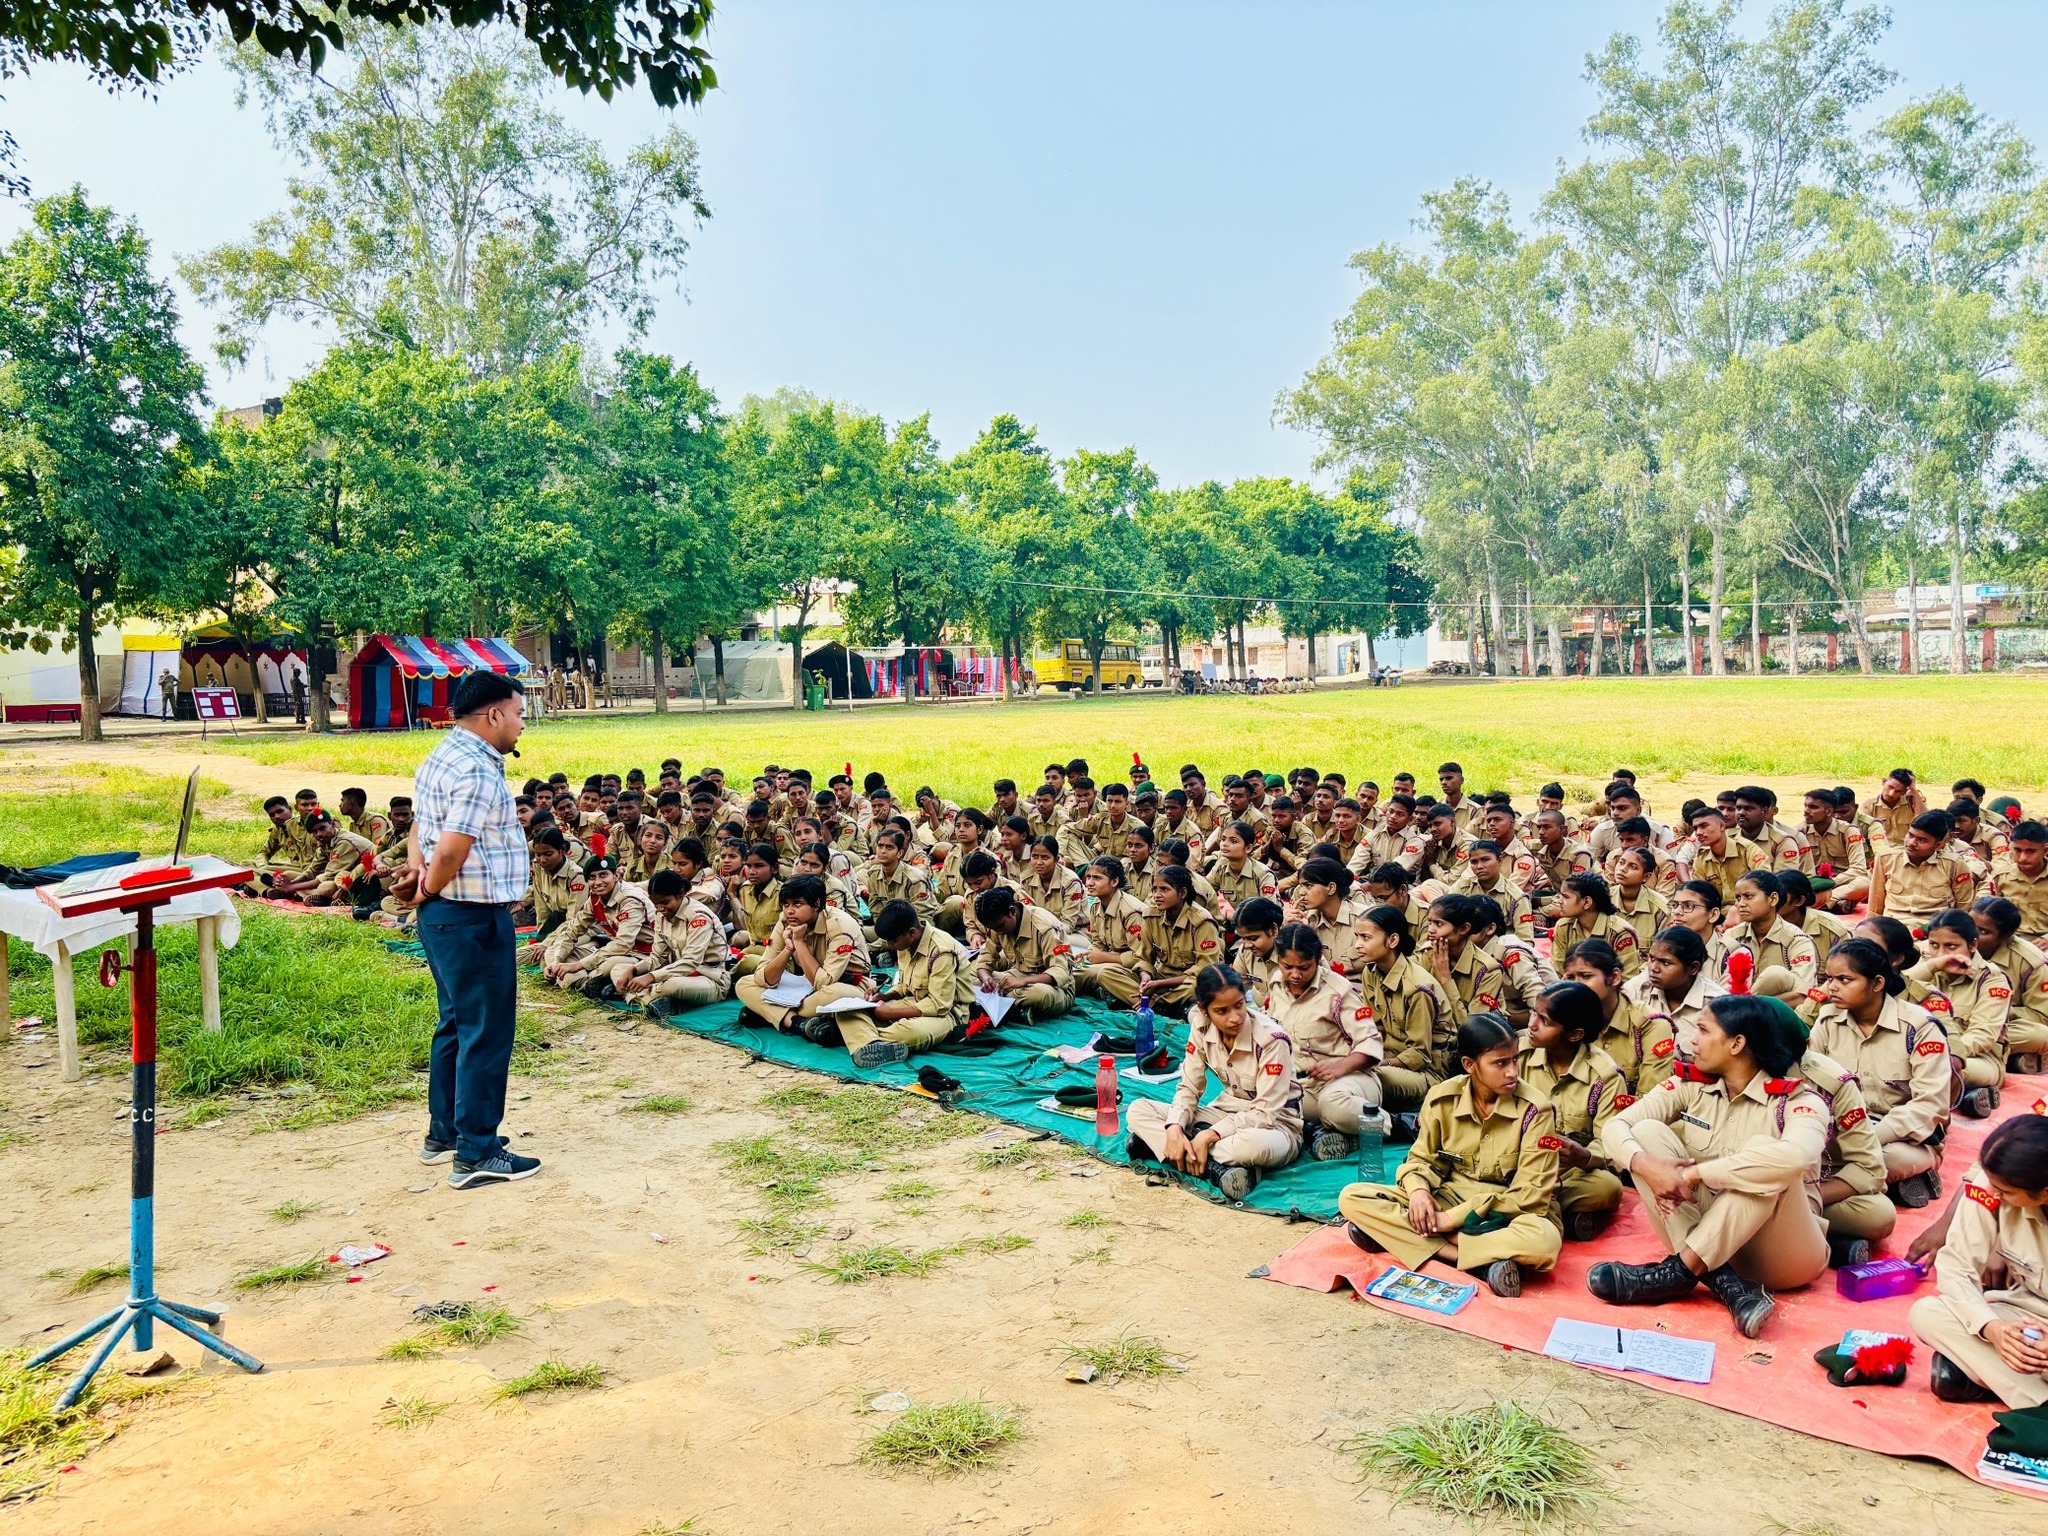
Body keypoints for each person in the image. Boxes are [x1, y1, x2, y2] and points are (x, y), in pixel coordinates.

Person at [1592, 993, 1832, 1337]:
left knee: (1764, 1157)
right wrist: (1644, 1164)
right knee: (1645, 1133)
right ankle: (1724, 1283)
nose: (1692, 1039)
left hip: (1782, 1256)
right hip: (1715, 1242)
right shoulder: (1689, 1085)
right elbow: (1615, 1126)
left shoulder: (1796, 1101)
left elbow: (1798, 1156)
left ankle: (1678, 1272)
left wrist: (1696, 1174)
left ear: (1737, 1043)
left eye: (1704, 1030)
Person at [405, 671, 538, 1188]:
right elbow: (452, 848)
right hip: (471, 916)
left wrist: (420, 878)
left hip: (446, 917)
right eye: (520, 713)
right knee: (485, 1031)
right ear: (495, 714)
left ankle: (445, 1134)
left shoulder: (442, 754)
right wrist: (428, 886)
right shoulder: (478, 769)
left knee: (457, 1023)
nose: (523, 724)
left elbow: (420, 826)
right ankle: (477, 1152)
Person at [1339, 1012, 1563, 1298]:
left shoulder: (1535, 1110)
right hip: (1447, 1197)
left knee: (1544, 1241)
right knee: (1353, 1197)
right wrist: (1419, 1192)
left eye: (1514, 1060)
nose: (1512, 1072)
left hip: (1506, 1214)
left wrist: (1452, 1220)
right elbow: (1421, 1160)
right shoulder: (1442, 1098)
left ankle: (1417, 1243)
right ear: (1470, 1065)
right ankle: (1468, 1258)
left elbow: (1530, 1197)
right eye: (1500, 1063)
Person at [1126, 963, 1302, 1202]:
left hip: (1274, 1126)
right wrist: (1175, 1128)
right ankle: (1210, 1165)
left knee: (1249, 1146)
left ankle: (1172, 1150)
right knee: (1138, 1110)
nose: (1235, 1017)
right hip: (1225, 1113)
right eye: (1222, 1011)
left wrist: (1209, 1135)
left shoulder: (1271, 1040)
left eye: (1239, 1005)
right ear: (1204, 1010)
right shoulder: (1201, 1027)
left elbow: (1265, 1113)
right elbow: (1189, 1087)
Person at [1909, 1116, 2048, 1407]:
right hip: (2026, 1312)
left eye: (2006, 1193)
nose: (1993, 1193)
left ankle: (1999, 1384)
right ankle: (2038, 1400)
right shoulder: (1993, 1182)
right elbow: (1956, 1267)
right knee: (1928, 1314)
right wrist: (1993, 1329)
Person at [1807, 937, 1951, 1208]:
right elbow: (1810, 1085)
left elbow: (1930, 1105)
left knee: (1885, 1158)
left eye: (1844, 980)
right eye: (1829, 978)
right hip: (1840, 1131)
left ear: (1877, 984)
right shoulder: (1827, 1020)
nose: (1832, 987)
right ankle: (1871, 1186)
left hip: (1897, 1139)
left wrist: (1868, 1137)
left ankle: (1818, 1197)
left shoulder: (1919, 1027)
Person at [1262, 924, 1382, 1160]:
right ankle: (1329, 1132)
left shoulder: (1339, 992)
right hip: (1303, 1085)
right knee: (1261, 1107)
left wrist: (1341, 1066)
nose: (1295, 975)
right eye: (1287, 966)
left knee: (1333, 1106)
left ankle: (1395, 1124)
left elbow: (1370, 1041)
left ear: (1318, 960)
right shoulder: (1277, 985)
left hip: (1349, 1081)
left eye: (1304, 967)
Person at [1519, 981, 1627, 1241]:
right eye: (1533, 1013)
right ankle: (1558, 1215)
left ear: (1574, 1034)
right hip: (1518, 1162)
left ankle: (1524, 1208)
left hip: (1567, 1173)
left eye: (1545, 1021)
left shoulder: (1606, 1077)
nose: (1532, 1024)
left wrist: (1584, 1156)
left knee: (1607, 1188)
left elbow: (1611, 1144)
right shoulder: (1519, 1054)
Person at [733, 874, 873, 1042]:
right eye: (786, 904)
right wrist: (787, 949)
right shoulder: (786, 920)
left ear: (817, 904)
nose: (789, 911)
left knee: (834, 994)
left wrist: (799, 942)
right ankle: (795, 1022)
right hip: (805, 984)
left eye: (797, 904)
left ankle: (768, 1013)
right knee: (744, 984)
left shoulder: (840, 925)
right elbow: (762, 976)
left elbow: (825, 982)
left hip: (848, 983)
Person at [837, 899, 973, 1068]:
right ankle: (873, 1042)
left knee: (909, 1033)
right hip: (912, 1001)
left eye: (893, 941)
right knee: (846, 1012)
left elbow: (939, 1005)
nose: (889, 945)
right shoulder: (905, 943)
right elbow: (904, 985)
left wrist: (890, 1014)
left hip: (947, 1015)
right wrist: (885, 996)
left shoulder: (941, 951)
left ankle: (861, 1037)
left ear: (911, 933)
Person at [1907, 907, 2013, 1117]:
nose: (1941, 953)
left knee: (1938, 1067)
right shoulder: (1928, 966)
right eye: (1934, 945)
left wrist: (1938, 1052)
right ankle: (1964, 1096)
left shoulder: (1992, 980)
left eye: (1951, 946)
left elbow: (1982, 1036)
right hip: (1921, 1050)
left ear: (1973, 945)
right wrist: (1932, 966)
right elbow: (1894, 989)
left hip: (1976, 1059)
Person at [1353, 902, 1452, 1113]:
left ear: (1392, 940)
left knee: (1371, 1079)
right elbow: (1373, 1028)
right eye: (1357, 937)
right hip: (1387, 1058)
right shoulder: (1370, 972)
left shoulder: (1417, 989)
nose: (1358, 945)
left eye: (1366, 938)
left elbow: (1419, 1055)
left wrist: (1381, 1063)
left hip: (1426, 1072)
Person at [1561, 938, 1677, 1096]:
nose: (1576, 985)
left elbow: (1651, 1101)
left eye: (1586, 976)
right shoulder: (1560, 1021)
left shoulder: (1650, 1025)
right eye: (1570, 978)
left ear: (1615, 977)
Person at [541, 855, 655, 999]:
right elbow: (571, 931)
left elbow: (623, 944)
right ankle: (583, 984)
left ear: (616, 876)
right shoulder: (594, 899)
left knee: (610, 965)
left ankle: (581, 981)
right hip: (614, 950)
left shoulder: (629, 900)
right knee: (552, 952)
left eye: (603, 875)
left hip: (643, 954)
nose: (598, 882)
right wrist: (556, 961)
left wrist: (577, 966)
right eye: (592, 877)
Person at [621, 868, 729, 1016]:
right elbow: (657, 958)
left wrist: (650, 977)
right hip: (677, 973)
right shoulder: (662, 915)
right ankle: (650, 997)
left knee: (672, 985)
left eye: (665, 902)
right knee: (620, 969)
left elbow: (691, 962)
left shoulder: (698, 917)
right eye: (655, 904)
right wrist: (634, 970)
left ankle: (639, 996)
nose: (660, 908)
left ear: (680, 894)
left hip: (709, 978)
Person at [973, 886, 1075, 1022]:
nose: (998, 932)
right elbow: (985, 960)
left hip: (1053, 988)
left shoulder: (1044, 927)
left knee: (1037, 994)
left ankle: (997, 1004)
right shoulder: (997, 925)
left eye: (1000, 926)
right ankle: (1011, 1006)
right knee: (970, 974)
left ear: (1012, 911)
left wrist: (1022, 982)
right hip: (1018, 977)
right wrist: (987, 980)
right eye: (993, 929)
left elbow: (1060, 972)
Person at [1624, 925, 1726, 1059]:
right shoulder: (1640, 987)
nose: (1653, 968)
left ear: (1693, 968)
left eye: (1666, 963)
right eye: (1652, 959)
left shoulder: (1717, 1005)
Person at [1973, 895, 2048, 1075]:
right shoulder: (1952, 943)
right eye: (1970, 925)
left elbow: (2040, 1014)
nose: (1972, 935)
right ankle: (2011, 1060)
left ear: (2006, 936)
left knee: (2041, 1035)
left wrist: (1995, 1011)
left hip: (2000, 1026)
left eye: (1983, 931)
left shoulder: (2030, 961)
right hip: (1956, 1020)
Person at [1136, 865, 1225, 1015]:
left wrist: (1159, 985)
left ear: (1182, 893)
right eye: (1154, 889)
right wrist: (1146, 978)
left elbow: (1204, 968)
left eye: (1164, 889)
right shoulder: (1151, 917)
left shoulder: (1201, 921)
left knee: (1200, 986)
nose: (1157, 895)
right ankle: (1166, 1004)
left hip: (1188, 980)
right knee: (1109, 972)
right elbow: (1144, 958)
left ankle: (1155, 1003)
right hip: (1161, 977)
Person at [1869, 810, 1975, 932]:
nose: (1911, 843)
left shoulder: (1953, 865)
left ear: (1938, 845)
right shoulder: (1886, 859)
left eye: (1922, 840)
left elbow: (1963, 909)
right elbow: (1874, 909)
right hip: (1891, 929)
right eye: (1910, 835)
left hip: (1933, 931)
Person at [1724, 870, 1819, 992]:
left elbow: (1802, 993)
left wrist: (1753, 1001)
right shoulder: (1732, 937)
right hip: (1732, 1002)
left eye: (1748, 896)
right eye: (1738, 898)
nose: (1740, 904)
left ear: (1773, 899)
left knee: (1775, 974)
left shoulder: (1796, 940)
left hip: (1782, 1004)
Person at [1548, 873, 1642, 978]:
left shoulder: (1620, 933)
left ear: (1587, 902)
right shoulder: (1564, 927)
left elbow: (1626, 979)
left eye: (1566, 897)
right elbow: (1558, 971)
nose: (1559, 901)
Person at [1992, 820, 2048, 946]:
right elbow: (1989, 914)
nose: (2023, 857)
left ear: (2045, 851)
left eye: (2031, 851)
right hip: (2011, 941)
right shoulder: (2001, 877)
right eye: (2017, 850)